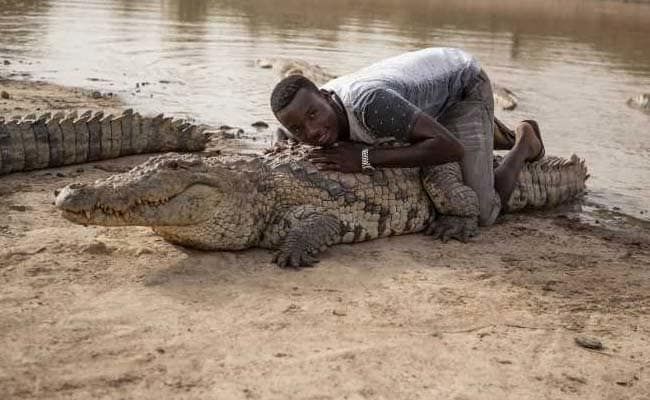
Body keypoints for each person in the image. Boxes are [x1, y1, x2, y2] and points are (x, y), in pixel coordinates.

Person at [269, 47, 543, 228]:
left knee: (484, 212)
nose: (312, 131)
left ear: (326, 97)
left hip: (462, 86)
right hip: (411, 103)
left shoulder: (369, 106)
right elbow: (285, 132)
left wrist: (365, 158)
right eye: (298, 129)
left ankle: (524, 140)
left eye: (313, 115)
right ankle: (483, 128)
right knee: (411, 127)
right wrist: (284, 141)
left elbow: (451, 149)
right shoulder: (312, 105)